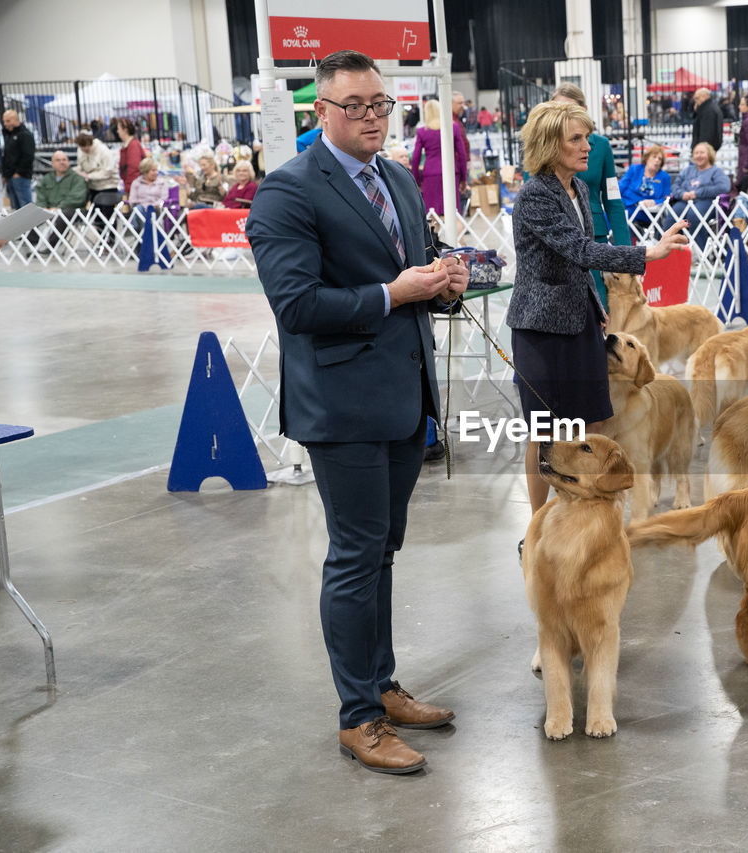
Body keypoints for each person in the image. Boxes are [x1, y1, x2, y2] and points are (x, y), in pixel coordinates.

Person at [245, 49, 468, 775]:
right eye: (357, 106)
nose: (374, 118)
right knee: (353, 555)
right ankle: (358, 716)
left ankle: (381, 683)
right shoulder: (287, 193)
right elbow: (297, 305)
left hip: (404, 396)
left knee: (381, 550)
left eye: (382, 104)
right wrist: (394, 294)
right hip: (340, 405)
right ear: (322, 113)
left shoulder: (399, 177)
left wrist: (445, 282)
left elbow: (416, 267)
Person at [506, 100, 688, 520]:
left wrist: (593, 302)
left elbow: (577, 261)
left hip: (582, 321)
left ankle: (580, 515)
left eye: (586, 136)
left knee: (592, 424)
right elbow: (579, 249)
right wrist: (649, 253)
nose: (588, 146)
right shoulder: (535, 195)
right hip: (542, 330)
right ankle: (537, 525)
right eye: (577, 138)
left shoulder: (580, 187)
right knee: (547, 433)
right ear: (551, 144)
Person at [551, 84, 633, 310]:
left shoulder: (602, 146)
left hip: (595, 237)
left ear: (584, 109)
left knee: (598, 308)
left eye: (570, 109)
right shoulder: (543, 148)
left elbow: (613, 200)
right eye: (557, 110)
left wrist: (624, 251)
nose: (564, 116)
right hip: (556, 239)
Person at [665, 141, 730, 254]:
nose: (699, 155)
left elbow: (723, 187)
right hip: (685, 200)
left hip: (707, 201)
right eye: (696, 153)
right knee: (674, 214)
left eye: (702, 152)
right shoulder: (687, 170)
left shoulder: (716, 171)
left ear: (709, 154)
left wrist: (698, 193)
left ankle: (699, 252)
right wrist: (682, 194)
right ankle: (668, 250)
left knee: (694, 215)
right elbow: (675, 185)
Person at [408, 99, 468, 219]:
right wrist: (463, 179)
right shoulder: (453, 127)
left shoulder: (422, 132)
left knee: (432, 214)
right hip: (451, 173)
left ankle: (436, 237)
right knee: (453, 213)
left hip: (430, 174)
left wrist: (417, 181)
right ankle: (457, 238)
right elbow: (462, 154)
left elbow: (415, 158)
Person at [33, 150, 88, 252]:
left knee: (63, 216)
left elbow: (77, 198)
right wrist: (44, 208)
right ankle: (31, 242)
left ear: (69, 162)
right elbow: (41, 196)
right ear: (52, 163)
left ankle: (50, 246)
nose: (62, 162)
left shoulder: (77, 178)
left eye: (64, 160)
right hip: (50, 209)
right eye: (58, 160)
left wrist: (59, 209)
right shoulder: (47, 179)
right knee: (32, 213)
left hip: (73, 210)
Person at [618, 145, 672, 225]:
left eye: (660, 159)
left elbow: (666, 198)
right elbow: (620, 187)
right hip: (627, 204)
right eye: (654, 157)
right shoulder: (634, 169)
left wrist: (654, 202)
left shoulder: (665, 177)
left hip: (647, 212)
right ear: (647, 158)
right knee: (612, 212)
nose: (657, 160)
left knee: (620, 215)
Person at [0, 110, 35, 208]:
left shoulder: (25, 134)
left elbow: (28, 156)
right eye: (4, 121)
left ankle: (31, 223)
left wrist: (18, 173)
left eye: (8, 121)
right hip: (9, 177)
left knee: (26, 206)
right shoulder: (8, 135)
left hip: (21, 176)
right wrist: (5, 175)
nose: (5, 124)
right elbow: (6, 156)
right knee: (15, 207)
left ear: (16, 120)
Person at [116, 118, 145, 199]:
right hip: (133, 186)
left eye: (118, 129)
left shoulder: (133, 145)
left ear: (125, 130)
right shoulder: (128, 145)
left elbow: (134, 169)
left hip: (136, 189)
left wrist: (128, 188)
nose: (117, 132)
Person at [690, 87, 723, 154]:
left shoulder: (708, 111)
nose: (695, 101)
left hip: (705, 150)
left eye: (697, 98)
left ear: (705, 96)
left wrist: (701, 150)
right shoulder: (709, 108)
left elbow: (706, 134)